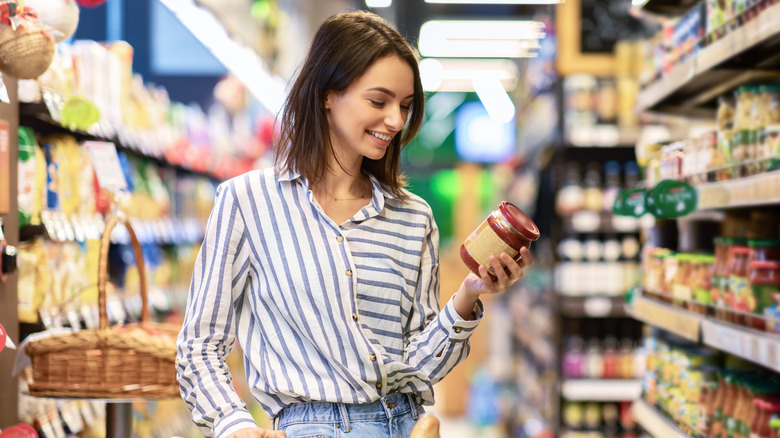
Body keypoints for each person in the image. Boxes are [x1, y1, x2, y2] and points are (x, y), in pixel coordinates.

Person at [176, 10, 533, 438]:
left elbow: (417, 365)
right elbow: (199, 346)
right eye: (378, 101)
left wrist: (468, 295)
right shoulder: (247, 202)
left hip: (405, 424)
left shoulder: (413, 217)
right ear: (328, 93)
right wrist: (234, 425)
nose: (396, 121)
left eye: (404, 106)